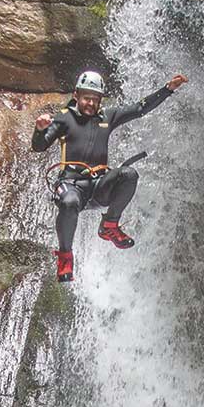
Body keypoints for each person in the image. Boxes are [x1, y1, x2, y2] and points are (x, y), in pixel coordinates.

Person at [32, 70, 188, 281]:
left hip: (98, 187)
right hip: (71, 185)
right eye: (86, 97)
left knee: (129, 174)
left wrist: (167, 89)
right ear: (76, 95)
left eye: (95, 99)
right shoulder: (64, 118)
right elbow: (39, 146)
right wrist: (40, 130)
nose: (90, 103)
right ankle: (65, 257)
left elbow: (139, 109)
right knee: (69, 202)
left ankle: (110, 225)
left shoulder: (107, 116)